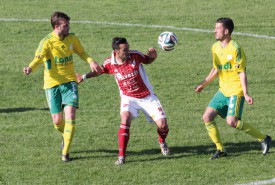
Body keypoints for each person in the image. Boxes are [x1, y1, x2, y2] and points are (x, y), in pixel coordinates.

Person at [23, 11, 102, 162]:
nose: (68, 27)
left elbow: (82, 52)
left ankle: (65, 153)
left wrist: (91, 61)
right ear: (57, 26)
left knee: (70, 115)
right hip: (52, 85)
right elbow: (38, 59)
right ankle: (64, 134)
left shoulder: (72, 38)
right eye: (65, 25)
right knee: (58, 121)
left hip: (70, 82)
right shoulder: (46, 42)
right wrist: (30, 68)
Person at [77, 37, 170, 165]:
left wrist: (153, 56)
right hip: (128, 97)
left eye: (128, 48)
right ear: (116, 51)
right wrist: (83, 77)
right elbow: (99, 71)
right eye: (125, 50)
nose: (128, 51)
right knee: (125, 118)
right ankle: (121, 157)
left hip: (147, 96)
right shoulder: (110, 63)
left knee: (163, 125)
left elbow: (147, 60)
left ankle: (162, 142)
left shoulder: (135, 55)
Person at [195, 17, 271, 160]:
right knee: (207, 117)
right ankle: (220, 149)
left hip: (236, 91)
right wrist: (203, 84)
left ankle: (263, 138)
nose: (215, 31)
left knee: (232, 122)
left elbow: (242, 72)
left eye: (217, 28)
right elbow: (216, 69)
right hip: (223, 90)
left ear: (226, 31)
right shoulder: (215, 47)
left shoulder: (235, 48)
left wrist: (246, 93)